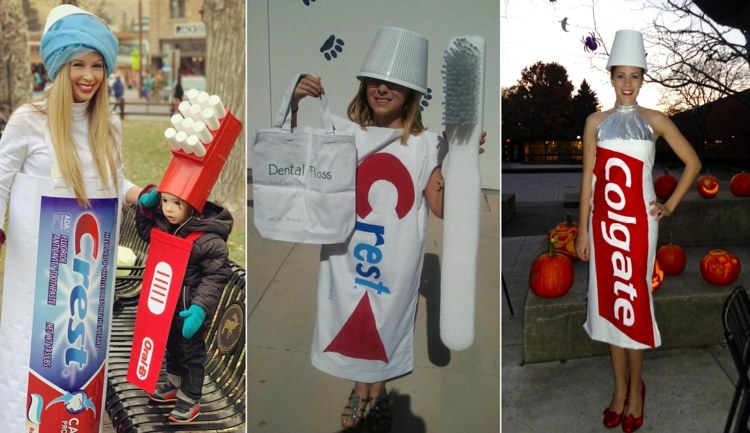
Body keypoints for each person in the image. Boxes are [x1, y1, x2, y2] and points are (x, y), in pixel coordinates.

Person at [290, 27, 484, 433]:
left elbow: (442, 207)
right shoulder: (343, 133)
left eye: (393, 84)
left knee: (383, 325)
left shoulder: (428, 144)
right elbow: (292, 161)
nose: (381, 89)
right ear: (363, 88)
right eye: (375, 82)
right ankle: (360, 392)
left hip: (393, 262)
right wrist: (292, 104)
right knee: (352, 323)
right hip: (347, 255)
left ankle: (374, 396)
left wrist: (462, 163)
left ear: (411, 94)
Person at [0, 4, 141, 430]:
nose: (89, 75)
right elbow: (2, 176)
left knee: (79, 362)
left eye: (98, 64)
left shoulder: (108, 124)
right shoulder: (30, 120)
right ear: (59, 66)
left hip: (86, 275)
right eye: (78, 63)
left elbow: (112, 180)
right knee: (32, 351)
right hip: (36, 274)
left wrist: (145, 196)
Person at [574, 29, 701, 433]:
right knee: (609, 308)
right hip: (604, 226)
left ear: (644, 77)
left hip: (639, 229)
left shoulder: (657, 120)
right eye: (620, 76)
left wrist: (670, 205)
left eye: (635, 76)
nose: (627, 84)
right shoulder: (595, 122)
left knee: (632, 305)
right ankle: (619, 389)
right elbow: (589, 183)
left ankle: (635, 392)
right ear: (610, 77)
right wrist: (582, 231)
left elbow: (693, 164)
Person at [134, 186, 233, 423]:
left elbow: (215, 277)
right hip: (166, 305)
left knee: (190, 354)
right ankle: (174, 383)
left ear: (194, 206)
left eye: (176, 204)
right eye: (165, 201)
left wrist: (200, 308)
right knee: (172, 346)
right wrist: (144, 208)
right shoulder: (166, 227)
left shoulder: (209, 240)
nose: (167, 208)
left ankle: (190, 397)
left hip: (190, 309)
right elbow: (145, 231)